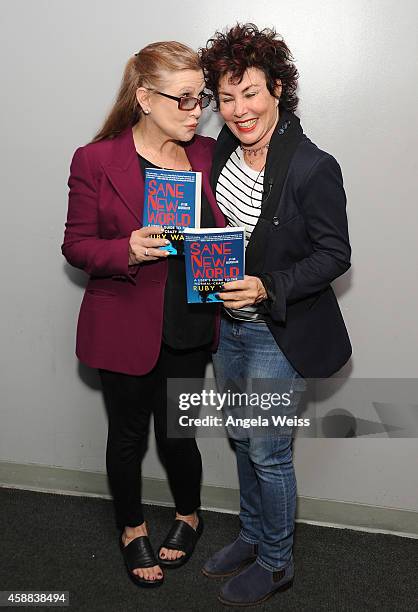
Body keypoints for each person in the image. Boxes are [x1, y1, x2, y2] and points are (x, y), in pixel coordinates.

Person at [62, 41, 225, 588]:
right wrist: (126, 250)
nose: (195, 110)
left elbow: (234, 224)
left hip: (190, 323)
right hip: (124, 324)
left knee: (179, 433)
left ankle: (188, 514)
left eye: (199, 98)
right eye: (183, 98)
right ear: (144, 97)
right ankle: (132, 529)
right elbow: (77, 245)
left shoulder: (207, 155)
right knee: (128, 435)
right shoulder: (96, 159)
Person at [200, 23, 351, 606]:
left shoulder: (313, 166)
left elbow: (335, 255)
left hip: (275, 334)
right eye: (227, 97)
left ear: (279, 89)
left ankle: (276, 560)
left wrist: (267, 286)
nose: (239, 109)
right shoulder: (217, 152)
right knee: (242, 439)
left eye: (251, 93)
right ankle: (252, 534)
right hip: (225, 328)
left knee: (268, 450)